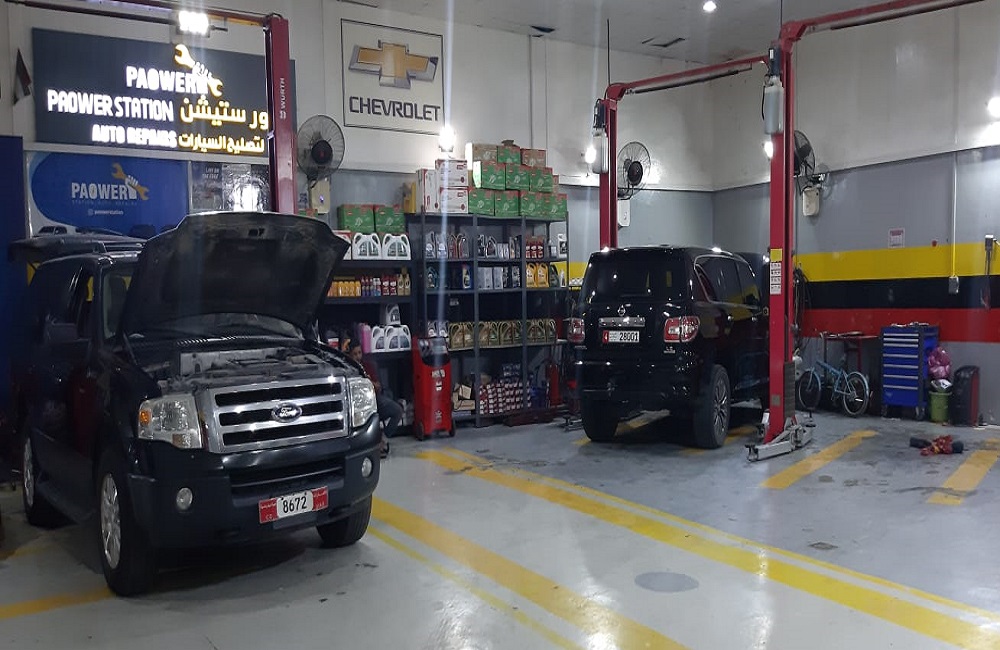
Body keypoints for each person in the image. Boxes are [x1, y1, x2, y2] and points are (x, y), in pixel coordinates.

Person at [347, 341, 403, 457]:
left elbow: (378, 386)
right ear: (350, 355)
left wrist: (368, 382)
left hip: (375, 399)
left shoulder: (368, 366)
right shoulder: (347, 370)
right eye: (355, 354)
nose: (358, 356)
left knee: (398, 410)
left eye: (359, 353)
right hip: (357, 406)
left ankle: (383, 440)